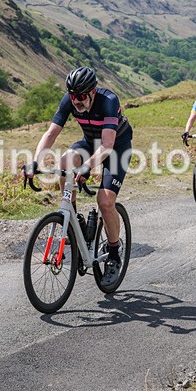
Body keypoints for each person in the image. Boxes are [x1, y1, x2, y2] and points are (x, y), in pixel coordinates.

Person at [24, 66, 133, 286]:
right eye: (73, 96)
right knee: (65, 161)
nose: (76, 101)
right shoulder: (69, 100)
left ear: (93, 92)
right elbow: (51, 133)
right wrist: (35, 161)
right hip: (89, 143)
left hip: (116, 148)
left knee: (104, 201)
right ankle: (72, 218)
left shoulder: (108, 101)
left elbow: (107, 145)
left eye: (82, 96)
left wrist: (87, 168)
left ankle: (113, 253)